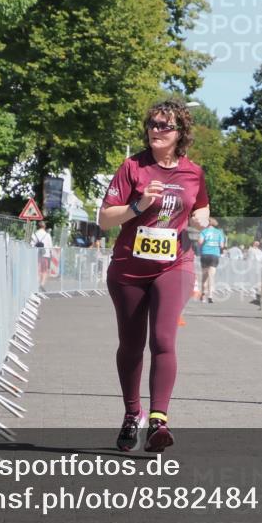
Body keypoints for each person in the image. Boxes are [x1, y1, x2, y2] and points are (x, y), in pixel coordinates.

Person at [98, 100, 210, 452]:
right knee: (131, 345)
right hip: (129, 268)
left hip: (174, 265)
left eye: (164, 125)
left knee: (163, 340)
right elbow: (104, 219)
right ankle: (133, 414)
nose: (156, 130)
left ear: (180, 134)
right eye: (152, 124)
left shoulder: (193, 173)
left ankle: (159, 421)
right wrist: (137, 206)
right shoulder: (132, 167)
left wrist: (199, 221)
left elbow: (202, 208)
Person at [198, 218, 226, 303]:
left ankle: (203, 294)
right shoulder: (219, 232)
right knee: (211, 276)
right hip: (214, 255)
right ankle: (210, 295)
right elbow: (221, 246)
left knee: (204, 276)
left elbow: (200, 242)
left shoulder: (204, 232)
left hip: (205, 254)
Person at [31, 220, 53, 289]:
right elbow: (50, 246)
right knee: (44, 270)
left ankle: (36, 284)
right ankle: (42, 284)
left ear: (38, 226)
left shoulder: (34, 234)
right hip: (45, 255)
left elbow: (32, 245)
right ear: (44, 226)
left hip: (36, 254)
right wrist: (51, 254)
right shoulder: (47, 235)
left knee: (37, 269)